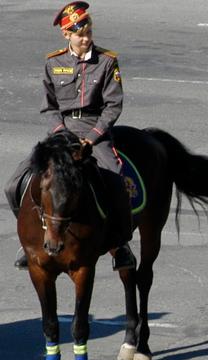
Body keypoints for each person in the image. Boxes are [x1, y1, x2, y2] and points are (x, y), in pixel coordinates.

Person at [9, 1, 134, 271]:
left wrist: (92, 137)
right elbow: (49, 106)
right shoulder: (54, 62)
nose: (86, 39)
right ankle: (29, 241)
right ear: (67, 35)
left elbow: (113, 105)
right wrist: (61, 135)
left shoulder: (107, 61)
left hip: (94, 132)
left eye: (89, 33)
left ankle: (121, 244)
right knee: (14, 183)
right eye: (80, 35)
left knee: (116, 180)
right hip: (60, 132)